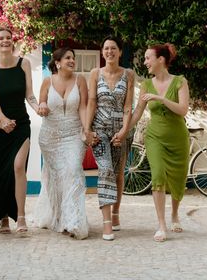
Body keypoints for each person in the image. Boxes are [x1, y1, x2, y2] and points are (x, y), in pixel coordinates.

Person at [114, 43, 190, 242]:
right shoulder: (146, 85)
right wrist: (123, 131)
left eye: (148, 58)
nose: (145, 62)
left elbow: (183, 110)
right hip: (155, 137)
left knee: (178, 179)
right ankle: (162, 225)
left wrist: (161, 99)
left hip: (178, 138)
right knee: (157, 175)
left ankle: (174, 214)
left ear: (161, 60)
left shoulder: (180, 82)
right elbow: (137, 113)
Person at [0, 28, 39, 234]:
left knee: (19, 166)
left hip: (21, 124)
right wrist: (3, 119)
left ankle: (21, 216)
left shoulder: (24, 64)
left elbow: (29, 94)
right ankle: (3, 217)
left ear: (12, 42)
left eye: (8, 38)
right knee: (1, 171)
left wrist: (38, 106)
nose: (5, 41)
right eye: (0, 38)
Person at [34, 47, 90, 239]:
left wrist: (87, 129)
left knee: (73, 171)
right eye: (68, 58)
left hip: (74, 134)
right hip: (50, 137)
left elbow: (83, 106)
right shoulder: (47, 82)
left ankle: (73, 221)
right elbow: (41, 103)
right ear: (57, 62)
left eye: (73, 58)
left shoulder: (80, 80)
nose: (72, 61)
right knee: (56, 178)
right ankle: (58, 217)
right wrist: (41, 105)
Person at [86, 36, 134, 241]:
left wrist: (124, 131)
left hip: (121, 131)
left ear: (120, 52)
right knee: (105, 171)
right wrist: (87, 130)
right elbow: (91, 102)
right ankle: (106, 224)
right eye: (106, 48)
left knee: (118, 174)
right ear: (102, 51)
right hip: (100, 130)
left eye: (113, 48)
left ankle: (115, 214)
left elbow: (127, 106)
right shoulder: (95, 73)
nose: (109, 52)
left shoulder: (129, 74)